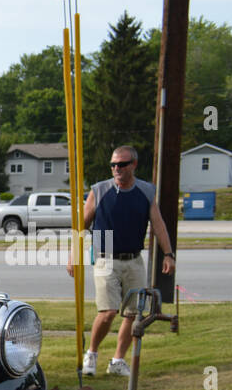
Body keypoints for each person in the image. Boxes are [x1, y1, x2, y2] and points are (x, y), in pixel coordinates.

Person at [67, 145, 176, 376]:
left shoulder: (146, 191)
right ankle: (92, 355)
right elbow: (82, 226)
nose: (117, 168)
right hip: (106, 260)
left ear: (133, 165)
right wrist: (73, 257)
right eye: (113, 165)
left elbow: (158, 224)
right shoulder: (100, 190)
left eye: (122, 164)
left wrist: (168, 254)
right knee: (108, 312)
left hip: (134, 260)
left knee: (133, 313)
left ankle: (117, 361)